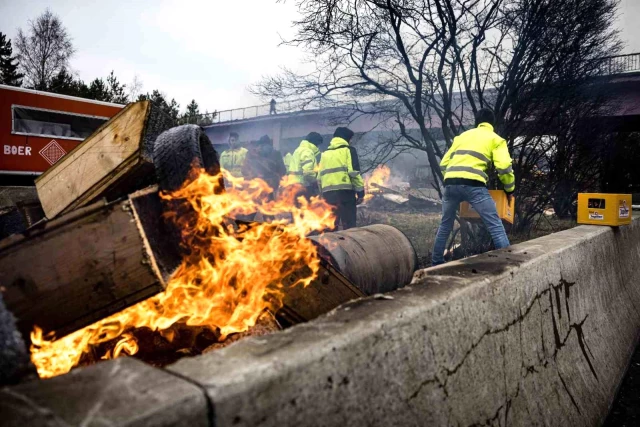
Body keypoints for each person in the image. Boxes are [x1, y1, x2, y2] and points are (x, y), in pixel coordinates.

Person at [431, 108, 516, 266]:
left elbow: (444, 163)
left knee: (445, 224)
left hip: (450, 184)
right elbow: (504, 167)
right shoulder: (495, 139)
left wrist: (452, 178)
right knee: (495, 224)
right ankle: (508, 265)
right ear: (492, 123)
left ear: (477, 122)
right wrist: (510, 189)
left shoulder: (461, 137)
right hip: (473, 185)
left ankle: (435, 263)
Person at [318, 127, 365, 230]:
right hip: (346, 194)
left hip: (328, 195)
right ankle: (349, 245)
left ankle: (330, 246)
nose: (351, 141)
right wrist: (361, 193)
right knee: (349, 226)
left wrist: (322, 194)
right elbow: (354, 173)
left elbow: (319, 178)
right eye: (350, 138)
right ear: (346, 138)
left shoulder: (324, 154)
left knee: (330, 227)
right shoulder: (349, 150)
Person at [288, 132, 323, 199]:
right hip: (302, 186)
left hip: (292, 185)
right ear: (316, 143)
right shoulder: (307, 151)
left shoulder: (298, 150)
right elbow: (308, 172)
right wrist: (315, 183)